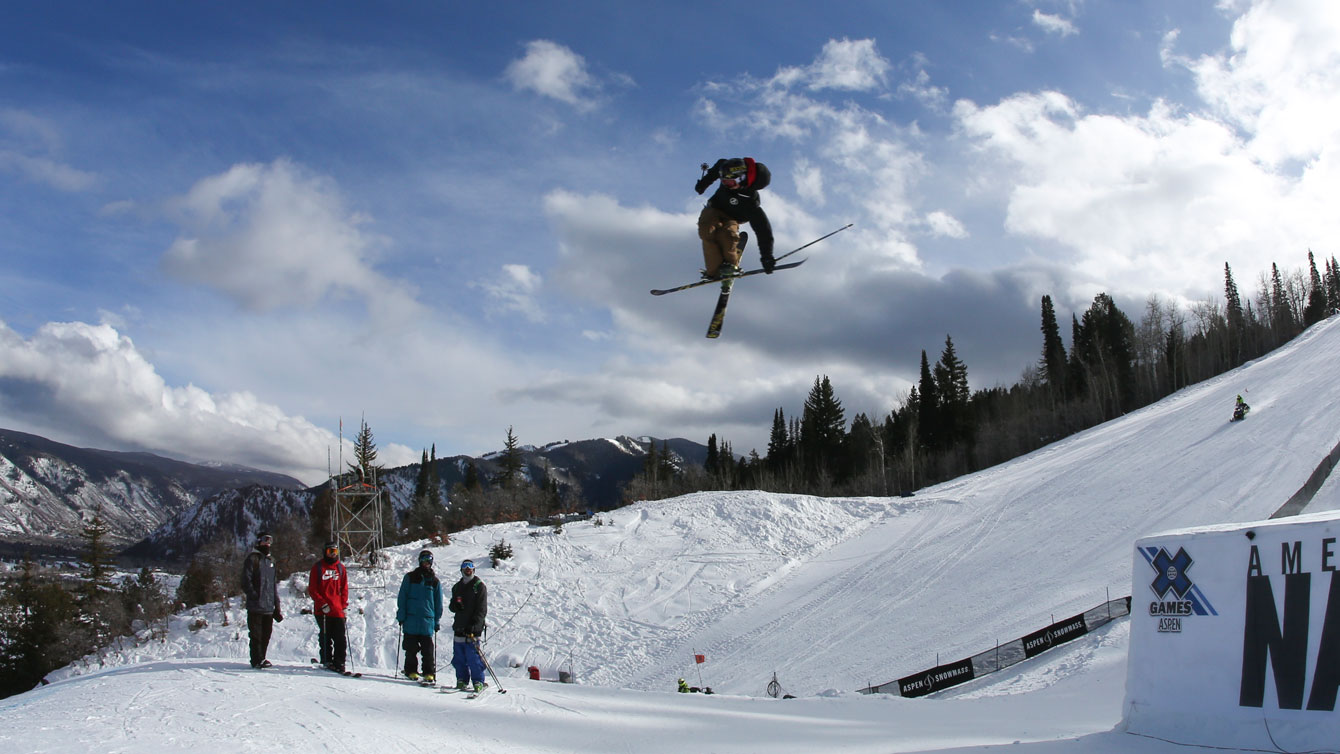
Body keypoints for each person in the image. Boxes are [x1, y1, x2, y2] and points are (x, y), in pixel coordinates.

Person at [694, 157, 774, 280]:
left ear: (741, 179)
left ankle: (730, 266)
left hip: (734, 218)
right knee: (706, 231)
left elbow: (763, 230)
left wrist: (766, 256)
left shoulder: (751, 201)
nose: (727, 185)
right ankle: (713, 271)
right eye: (724, 182)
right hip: (714, 208)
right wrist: (703, 185)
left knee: (726, 236)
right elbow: (714, 171)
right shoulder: (724, 168)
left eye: (730, 183)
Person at [396, 549, 443, 682]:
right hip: (411, 619)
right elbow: (402, 597)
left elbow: (438, 602)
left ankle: (429, 672)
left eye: (428, 560)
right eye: (423, 560)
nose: (426, 563)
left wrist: (437, 620)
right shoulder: (410, 577)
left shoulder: (434, 581)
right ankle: (411, 671)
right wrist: (401, 615)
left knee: (428, 650)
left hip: (427, 621)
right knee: (411, 648)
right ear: (419, 561)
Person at [240, 531, 283, 669]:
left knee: (266, 634)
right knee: (256, 634)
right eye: (265, 541)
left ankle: (262, 658)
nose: (268, 544)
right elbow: (245, 580)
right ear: (259, 542)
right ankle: (256, 659)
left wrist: (277, 606)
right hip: (256, 605)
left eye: (270, 541)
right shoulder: (252, 559)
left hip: (268, 606)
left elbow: (273, 585)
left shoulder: (271, 561)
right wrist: (253, 595)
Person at [308, 540, 349, 673]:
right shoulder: (318, 567)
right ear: (325, 552)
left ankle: (340, 662)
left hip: (337, 610)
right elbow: (313, 589)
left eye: (335, 552)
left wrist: (344, 606)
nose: (332, 555)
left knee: (340, 638)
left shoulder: (341, 568)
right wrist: (322, 603)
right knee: (326, 636)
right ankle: (327, 660)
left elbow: (344, 589)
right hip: (323, 610)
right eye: (330, 552)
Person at [449, 559, 489, 692]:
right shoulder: (457, 587)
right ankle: (461, 680)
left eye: (470, 567)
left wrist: (475, 624)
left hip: (473, 629)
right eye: (465, 567)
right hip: (459, 626)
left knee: (473, 658)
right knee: (459, 657)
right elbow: (452, 606)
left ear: (473, 569)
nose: (468, 569)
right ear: (461, 570)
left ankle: (478, 681)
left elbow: (482, 609)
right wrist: (455, 605)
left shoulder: (479, 586)